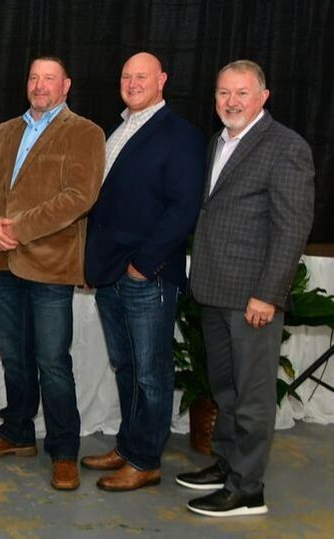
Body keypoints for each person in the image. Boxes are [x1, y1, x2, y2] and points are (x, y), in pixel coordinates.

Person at [178, 60, 314, 517]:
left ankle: (247, 488)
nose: (230, 102)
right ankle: (227, 464)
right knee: (227, 390)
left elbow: (292, 227)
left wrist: (268, 294)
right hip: (215, 290)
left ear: (263, 96)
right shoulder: (218, 141)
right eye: (222, 93)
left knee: (253, 397)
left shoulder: (285, 146)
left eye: (241, 93)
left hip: (253, 297)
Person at [0, 56, 104, 490]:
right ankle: (16, 432)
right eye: (33, 77)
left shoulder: (85, 132)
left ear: (66, 85)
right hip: (6, 261)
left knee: (52, 360)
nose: (40, 85)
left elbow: (79, 196)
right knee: (13, 354)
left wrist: (20, 229)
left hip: (50, 263)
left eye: (49, 78)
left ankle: (64, 450)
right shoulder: (6, 131)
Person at [82, 52, 205, 491]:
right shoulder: (118, 129)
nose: (132, 83)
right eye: (126, 75)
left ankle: (146, 460)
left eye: (142, 76)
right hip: (112, 273)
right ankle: (129, 445)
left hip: (146, 274)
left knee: (152, 371)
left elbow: (183, 209)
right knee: (127, 367)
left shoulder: (181, 135)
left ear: (163, 81)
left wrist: (142, 265)